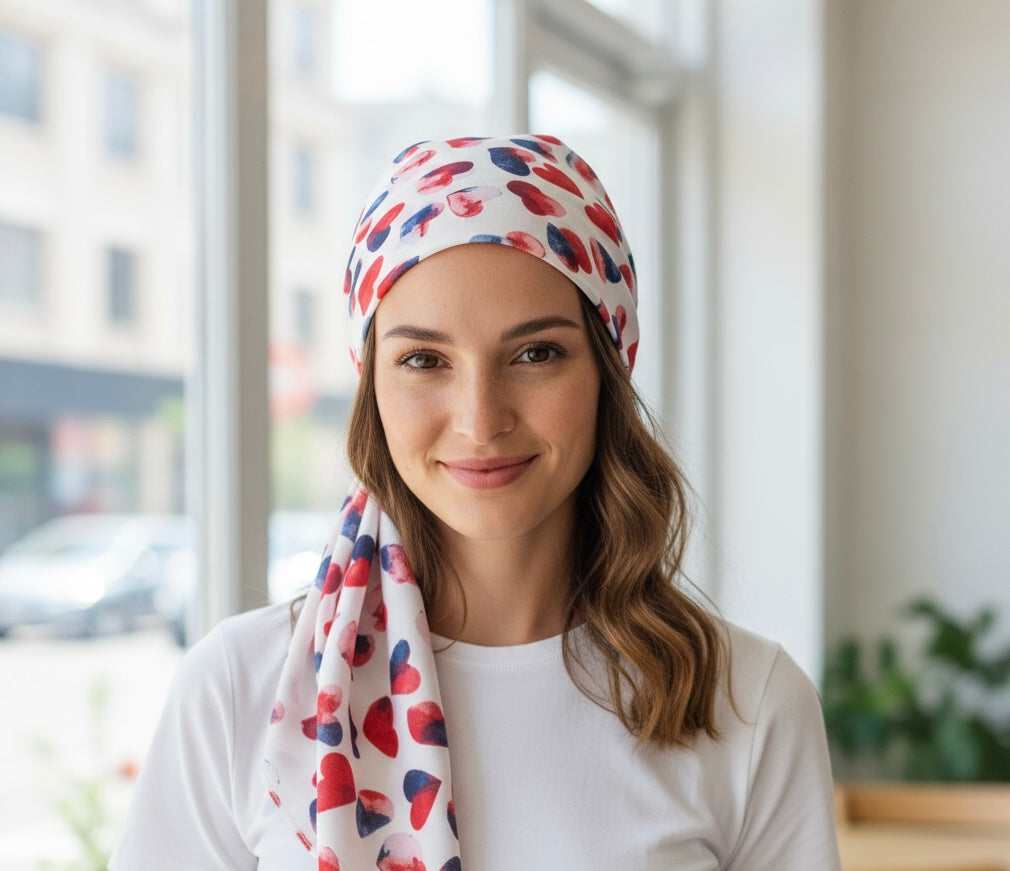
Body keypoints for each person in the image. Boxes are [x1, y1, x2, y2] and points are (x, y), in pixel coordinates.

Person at [110, 134, 841, 870]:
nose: (480, 419)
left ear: (608, 370)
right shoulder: (239, 687)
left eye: (536, 353)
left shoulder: (746, 702)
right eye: (424, 360)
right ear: (372, 385)